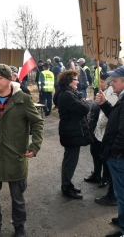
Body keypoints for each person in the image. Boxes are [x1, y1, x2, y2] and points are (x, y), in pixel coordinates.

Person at [0, 64, 44, 237]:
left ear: (9, 79)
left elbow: (37, 122)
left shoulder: (22, 99)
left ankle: (19, 227)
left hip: (16, 156)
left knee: (17, 197)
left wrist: (35, 144)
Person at [53, 69, 91, 199]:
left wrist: (80, 98)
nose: (78, 82)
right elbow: (84, 109)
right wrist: (83, 100)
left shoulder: (65, 93)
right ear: (69, 81)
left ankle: (67, 184)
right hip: (71, 131)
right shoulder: (67, 95)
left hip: (70, 130)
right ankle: (66, 187)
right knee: (71, 160)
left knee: (69, 159)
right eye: (75, 79)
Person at [95, 65, 124, 237]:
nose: (111, 83)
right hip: (118, 155)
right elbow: (115, 116)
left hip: (119, 156)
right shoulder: (121, 97)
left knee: (122, 194)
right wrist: (104, 104)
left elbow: (122, 132)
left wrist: (114, 152)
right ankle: (122, 219)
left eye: (115, 81)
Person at [84, 73, 117, 188]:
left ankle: (105, 178)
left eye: (103, 82)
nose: (100, 84)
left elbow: (106, 116)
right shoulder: (100, 93)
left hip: (103, 132)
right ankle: (96, 174)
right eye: (99, 81)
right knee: (95, 153)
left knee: (104, 157)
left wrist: (98, 128)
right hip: (96, 131)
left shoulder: (110, 93)